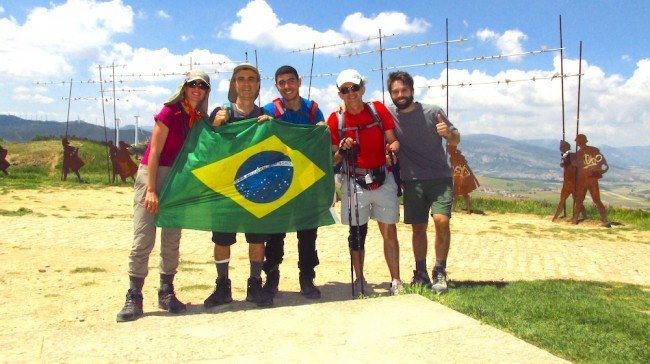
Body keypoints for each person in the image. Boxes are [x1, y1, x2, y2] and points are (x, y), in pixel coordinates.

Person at [116, 70, 211, 322]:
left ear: (206, 91)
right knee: (144, 237)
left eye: (202, 85)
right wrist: (150, 189)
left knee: (172, 238)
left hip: (178, 180)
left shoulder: (199, 118)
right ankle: (134, 296)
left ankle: (166, 292)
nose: (197, 89)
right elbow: (154, 152)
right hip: (154, 175)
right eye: (193, 84)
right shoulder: (170, 112)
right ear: (184, 87)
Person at [203, 63, 274, 308]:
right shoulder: (220, 114)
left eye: (251, 79)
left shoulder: (265, 116)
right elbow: (206, 148)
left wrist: (271, 128)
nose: (246, 83)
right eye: (241, 79)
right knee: (222, 241)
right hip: (225, 191)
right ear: (234, 84)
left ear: (257, 85)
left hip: (256, 189)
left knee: (257, 240)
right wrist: (215, 126)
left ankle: (255, 284)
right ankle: (222, 286)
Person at [326, 69, 402, 296]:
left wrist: (392, 151)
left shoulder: (378, 110)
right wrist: (342, 149)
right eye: (345, 90)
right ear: (339, 94)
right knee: (357, 234)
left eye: (354, 88)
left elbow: (393, 141)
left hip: (382, 177)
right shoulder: (335, 120)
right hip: (354, 182)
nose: (351, 93)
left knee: (389, 231)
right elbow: (333, 158)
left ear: (363, 88)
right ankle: (359, 280)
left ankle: (396, 280)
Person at [387, 71, 460, 294]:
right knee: (418, 228)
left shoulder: (433, 112)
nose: (400, 95)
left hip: (439, 178)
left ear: (412, 90)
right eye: (395, 91)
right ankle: (420, 272)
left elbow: (456, 138)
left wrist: (448, 133)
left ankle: (439, 270)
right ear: (391, 94)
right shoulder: (388, 115)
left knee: (441, 221)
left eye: (404, 90)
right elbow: (363, 108)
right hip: (412, 181)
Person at [259, 65, 325, 300]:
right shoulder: (269, 110)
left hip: (306, 180)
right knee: (275, 232)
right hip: (278, 179)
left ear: (299, 81)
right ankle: (272, 276)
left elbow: (320, 144)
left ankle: (307, 277)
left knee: (308, 232)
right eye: (281, 82)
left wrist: (321, 131)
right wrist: (263, 124)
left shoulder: (313, 111)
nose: (287, 86)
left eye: (290, 81)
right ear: (276, 85)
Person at [572, 134, 609, 227]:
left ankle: (575, 219)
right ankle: (604, 219)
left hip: (587, 180)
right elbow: (604, 165)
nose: (576, 142)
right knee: (592, 200)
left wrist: (598, 171)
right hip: (588, 180)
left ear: (580, 141)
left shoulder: (585, 152)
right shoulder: (589, 151)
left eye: (577, 141)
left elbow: (604, 165)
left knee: (582, 199)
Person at [447, 144, 479, 214]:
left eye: (448, 149)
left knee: (463, 193)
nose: (448, 151)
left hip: (462, 176)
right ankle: (455, 209)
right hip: (459, 176)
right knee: (456, 193)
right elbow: (454, 167)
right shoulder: (453, 156)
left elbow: (460, 166)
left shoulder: (456, 156)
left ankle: (468, 210)